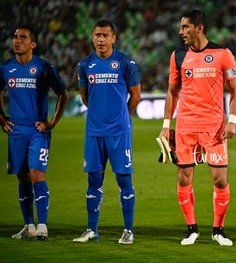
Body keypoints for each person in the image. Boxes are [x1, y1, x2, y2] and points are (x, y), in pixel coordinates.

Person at [159, 10, 236, 246]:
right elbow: (172, 92)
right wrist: (166, 126)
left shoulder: (223, 53)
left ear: (199, 28)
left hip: (214, 128)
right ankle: (191, 229)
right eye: (181, 27)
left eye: (185, 27)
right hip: (185, 127)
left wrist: (232, 119)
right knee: (184, 179)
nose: (180, 32)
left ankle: (218, 230)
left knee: (220, 181)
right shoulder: (178, 56)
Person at [72, 20, 141, 245]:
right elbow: (85, 97)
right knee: (93, 180)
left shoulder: (125, 63)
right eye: (97, 35)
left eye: (105, 35)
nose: (101, 39)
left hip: (119, 132)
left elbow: (136, 96)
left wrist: (122, 118)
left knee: (124, 180)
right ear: (92, 38)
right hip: (94, 132)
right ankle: (92, 230)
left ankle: (128, 230)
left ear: (113, 38)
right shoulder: (84, 65)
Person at [0, 25, 68, 240]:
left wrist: (52, 123)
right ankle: (28, 225)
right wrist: (2, 119)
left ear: (33, 44)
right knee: (22, 178)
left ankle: (43, 225)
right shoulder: (6, 67)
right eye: (15, 37)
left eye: (23, 37)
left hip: (37, 131)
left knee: (36, 174)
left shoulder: (44, 67)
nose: (17, 41)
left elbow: (63, 94)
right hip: (16, 131)